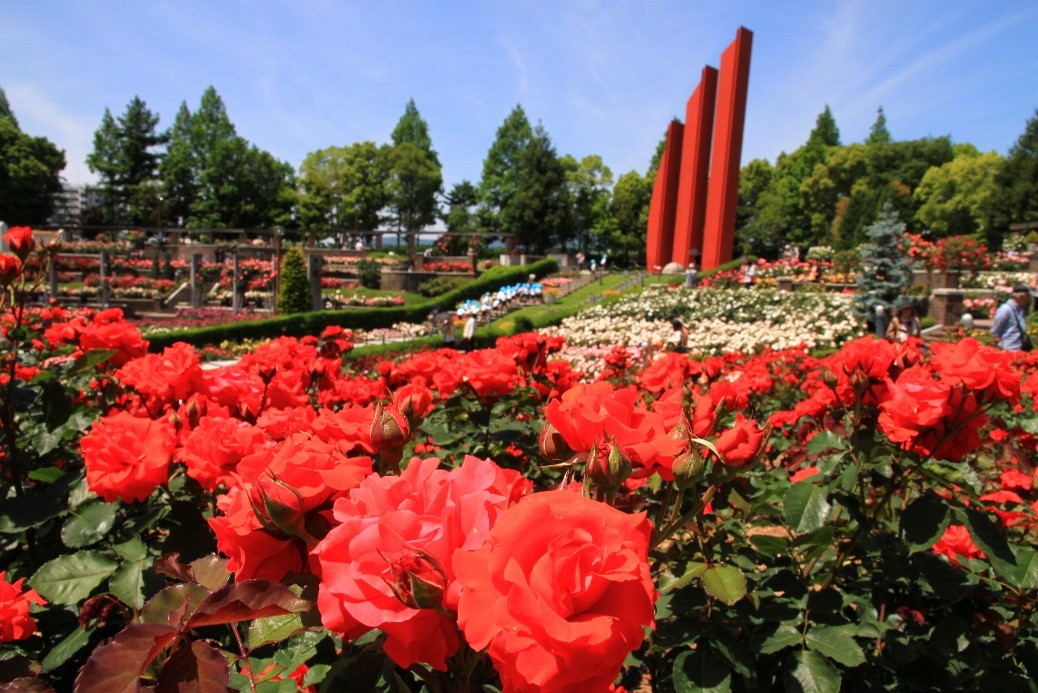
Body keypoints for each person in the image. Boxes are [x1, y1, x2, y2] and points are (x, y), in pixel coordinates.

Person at [990, 285, 1032, 352]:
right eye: (1027, 297)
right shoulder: (1005, 309)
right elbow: (995, 330)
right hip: (1008, 349)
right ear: (1021, 297)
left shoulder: (1021, 308)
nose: (1028, 300)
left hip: (1020, 348)